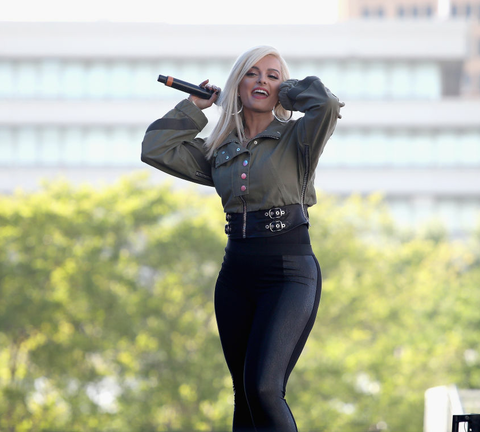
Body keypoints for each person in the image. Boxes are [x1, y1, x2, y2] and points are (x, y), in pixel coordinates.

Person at [141, 45, 344, 432]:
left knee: (265, 388)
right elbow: (155, 149)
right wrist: (193, 107)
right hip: (235, 276)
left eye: (272, 74)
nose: (262, 81)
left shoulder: (299, 138)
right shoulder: (220, 148)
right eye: (252, 74)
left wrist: (284, 92)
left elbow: (326, 106)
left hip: (289, 274)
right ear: (237, 83)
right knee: (244, 394)